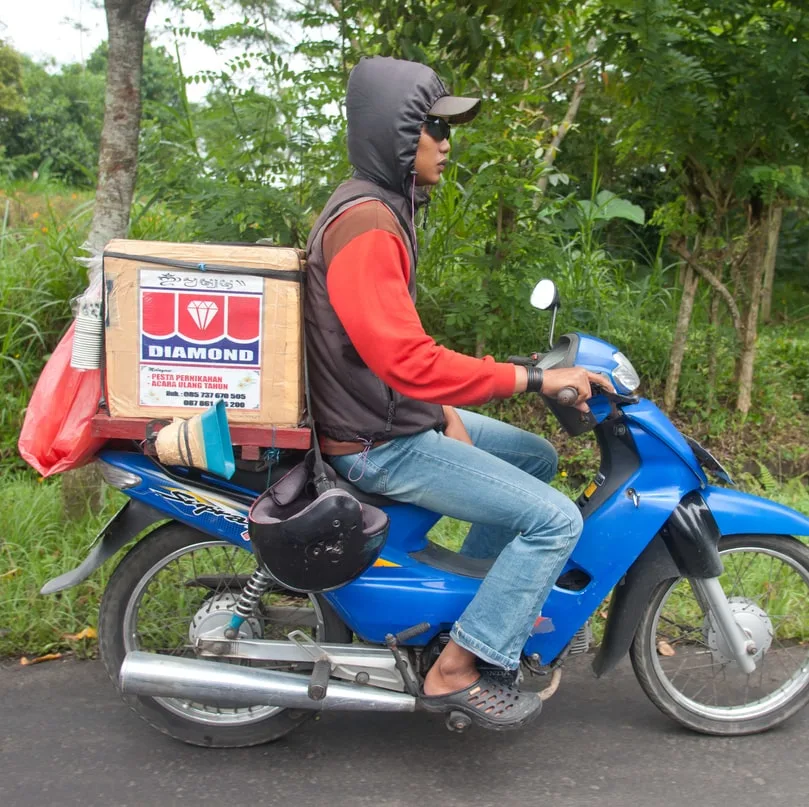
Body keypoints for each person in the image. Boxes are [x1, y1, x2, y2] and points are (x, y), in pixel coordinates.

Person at [304, 56, 612, 730]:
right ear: (396, 136)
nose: (446, 145)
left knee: (532, 456)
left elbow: (391, 349)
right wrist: (531, 377)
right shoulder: (366, 227)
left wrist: (444, 408)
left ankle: (477, 608)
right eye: (433, 131)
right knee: (557, 518)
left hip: (392, 413)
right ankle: (460, 665)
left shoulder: (384, 208)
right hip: (375, 441)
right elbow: (408, 360)